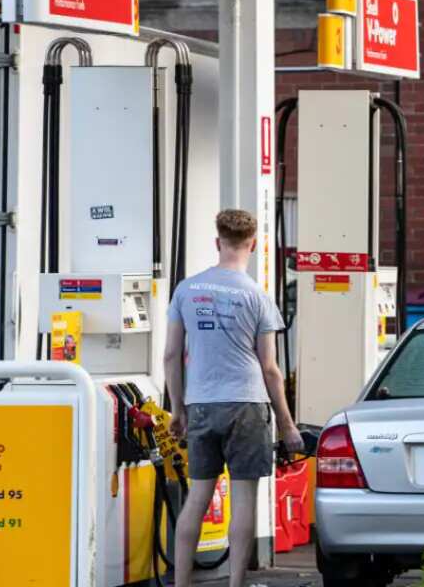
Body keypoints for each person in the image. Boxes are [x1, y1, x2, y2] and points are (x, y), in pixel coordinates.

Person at [164, 209, 303, 587]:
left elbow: (171, 355)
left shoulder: (186, 290)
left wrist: (177, 409)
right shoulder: (257, 297)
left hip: (202, 404)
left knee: (198, 496)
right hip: (247, 405)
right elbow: (271, 369)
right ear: (254, 245)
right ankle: (236, 583)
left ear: (217, 242)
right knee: (243, 500)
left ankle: (180, 583)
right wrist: (288, 425)